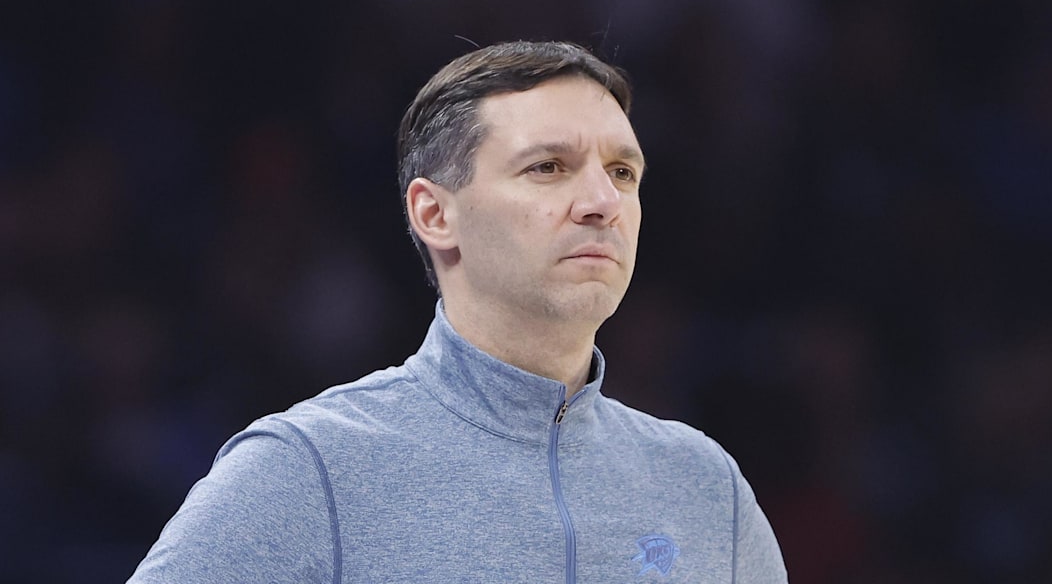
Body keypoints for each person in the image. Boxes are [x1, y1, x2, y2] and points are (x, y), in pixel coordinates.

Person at [128, 40, 787, 583]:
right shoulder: (308, 469)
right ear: (435, 214)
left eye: (622, 172)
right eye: (548, 167)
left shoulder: (705, 488)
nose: (602, 202)